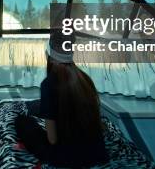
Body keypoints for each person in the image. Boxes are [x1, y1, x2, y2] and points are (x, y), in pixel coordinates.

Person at [15, 35, 109, 168]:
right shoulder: (85, 79)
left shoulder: (48, 84)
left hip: (65, 158)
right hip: (96, 154)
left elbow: (52, 139)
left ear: (49, 55)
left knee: (22, 121)